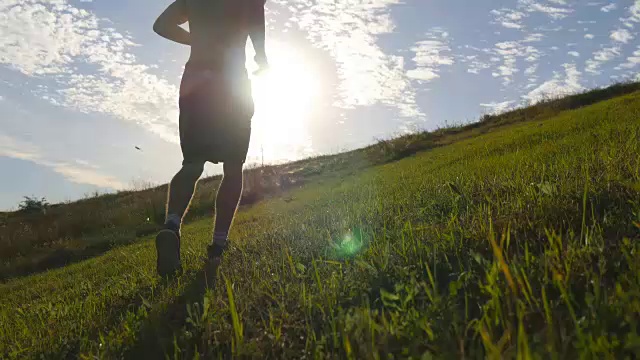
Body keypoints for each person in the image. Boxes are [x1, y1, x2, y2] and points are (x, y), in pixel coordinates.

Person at [152, 0, 269, 278]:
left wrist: (198, 39)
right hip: (232, 81)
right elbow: (256, 17)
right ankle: (218, 245)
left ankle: (171, 225)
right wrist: (261, 57)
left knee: (192, 163)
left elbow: (161, 25)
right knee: (232, 166)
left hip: (196, 79)